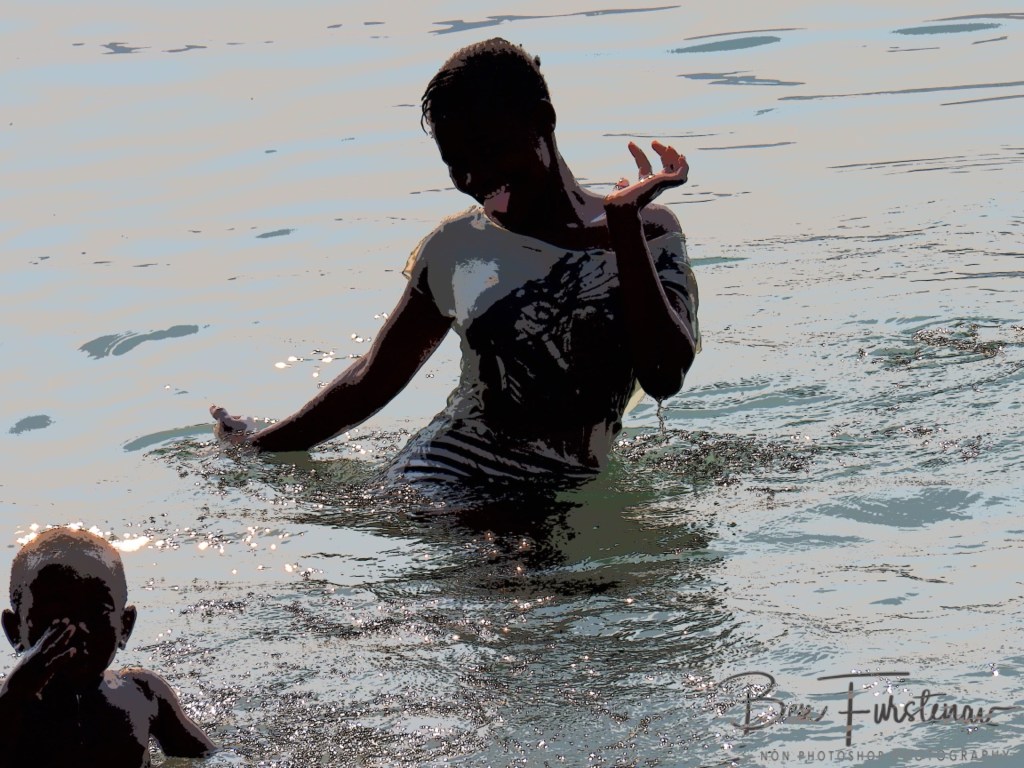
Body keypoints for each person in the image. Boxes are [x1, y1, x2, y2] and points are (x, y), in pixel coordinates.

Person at [213, 37, 699, 487]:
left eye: (491, 151)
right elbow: (370, 381)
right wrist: (256, 447)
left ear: (543, 120)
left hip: (553, 492)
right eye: (456, 163)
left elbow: (664, 376)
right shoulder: (455, 246)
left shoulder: (649, 230)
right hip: (445, 477)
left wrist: (623, 226)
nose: (476, 177)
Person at [0, 527, 216, 767]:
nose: (76, 631)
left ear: (125, 627)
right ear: (14, 631)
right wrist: (14, 695)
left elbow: (213, 759)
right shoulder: (7, 704)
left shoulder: (143, 694)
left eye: (95, 614)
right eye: (53, 619)